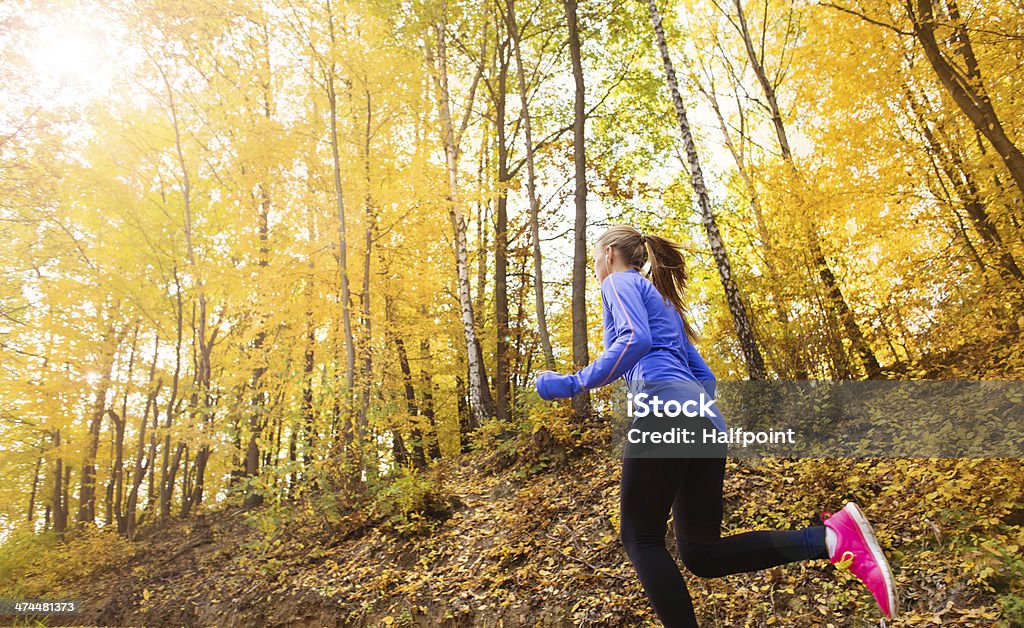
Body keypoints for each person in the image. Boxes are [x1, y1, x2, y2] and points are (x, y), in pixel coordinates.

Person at [533, 225, 897, 627]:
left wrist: (572, 383)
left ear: (611, 253)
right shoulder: (664, 304)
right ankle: (829, 538)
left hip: (665, 411)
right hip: (705, 421)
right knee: (700, 554)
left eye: (595, 256)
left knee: (641, 537)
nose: (595, 266)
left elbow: (634, 340)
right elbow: (704, 378)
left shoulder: (620, 282)